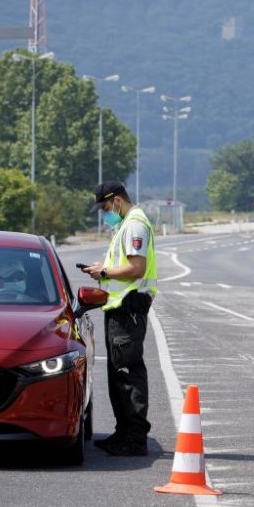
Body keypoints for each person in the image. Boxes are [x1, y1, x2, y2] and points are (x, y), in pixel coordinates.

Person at [81, 180, 158, 457]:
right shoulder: (125, 225)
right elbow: (123, 265)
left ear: (116, 200)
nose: (105, 213)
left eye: (105, 208)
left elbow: (136, 268)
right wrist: (103, 268)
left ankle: (135, 439)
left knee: (127, 373)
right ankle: (123, 432)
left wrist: (103, 273)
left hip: (129, 305)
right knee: (118, 373)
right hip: (120, 306)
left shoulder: (134, 225)